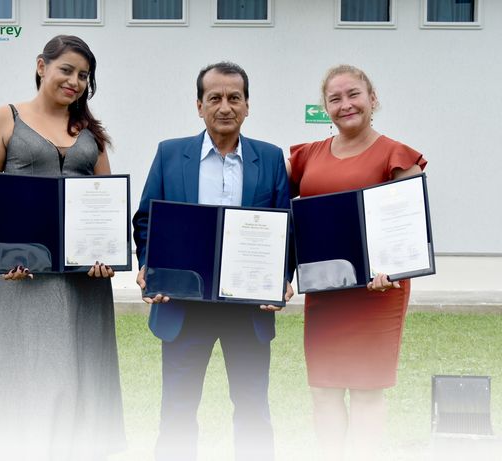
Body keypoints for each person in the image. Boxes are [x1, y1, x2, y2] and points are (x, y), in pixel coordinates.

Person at [0, 35, 125, 460]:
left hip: (84, 281)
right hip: (24, 277)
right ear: (42, 66)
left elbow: (106, 200)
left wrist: (107, 257)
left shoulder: (91, 133)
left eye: (84, 76)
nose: (75, 81)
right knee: (28, 370)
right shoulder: (7, 118)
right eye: (66, 70)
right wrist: (6, 250)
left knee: (82, 372)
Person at [132, 61, 293, 461]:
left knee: (254, 412)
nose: (225, 106)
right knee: (177, 413)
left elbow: (284, 227)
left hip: (248, 309)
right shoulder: (170, 154)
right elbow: (147, 219)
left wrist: (280, 278)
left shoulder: (270, 158)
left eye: (234, 98)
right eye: (215, 97)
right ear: (199, 105)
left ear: (247, 105)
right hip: (183, 306)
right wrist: (151, 267)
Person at [287, 64, 427, 461]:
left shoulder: (396, 156)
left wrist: (395, 269)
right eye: (335, 99)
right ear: (325, 108)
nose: (345, 104)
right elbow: (266, 196)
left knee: (367, 391)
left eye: (354, 95)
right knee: (323, 389)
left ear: (372, 99)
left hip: (377, 293)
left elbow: (410, 227)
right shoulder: (306, 156)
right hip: (325, 291)